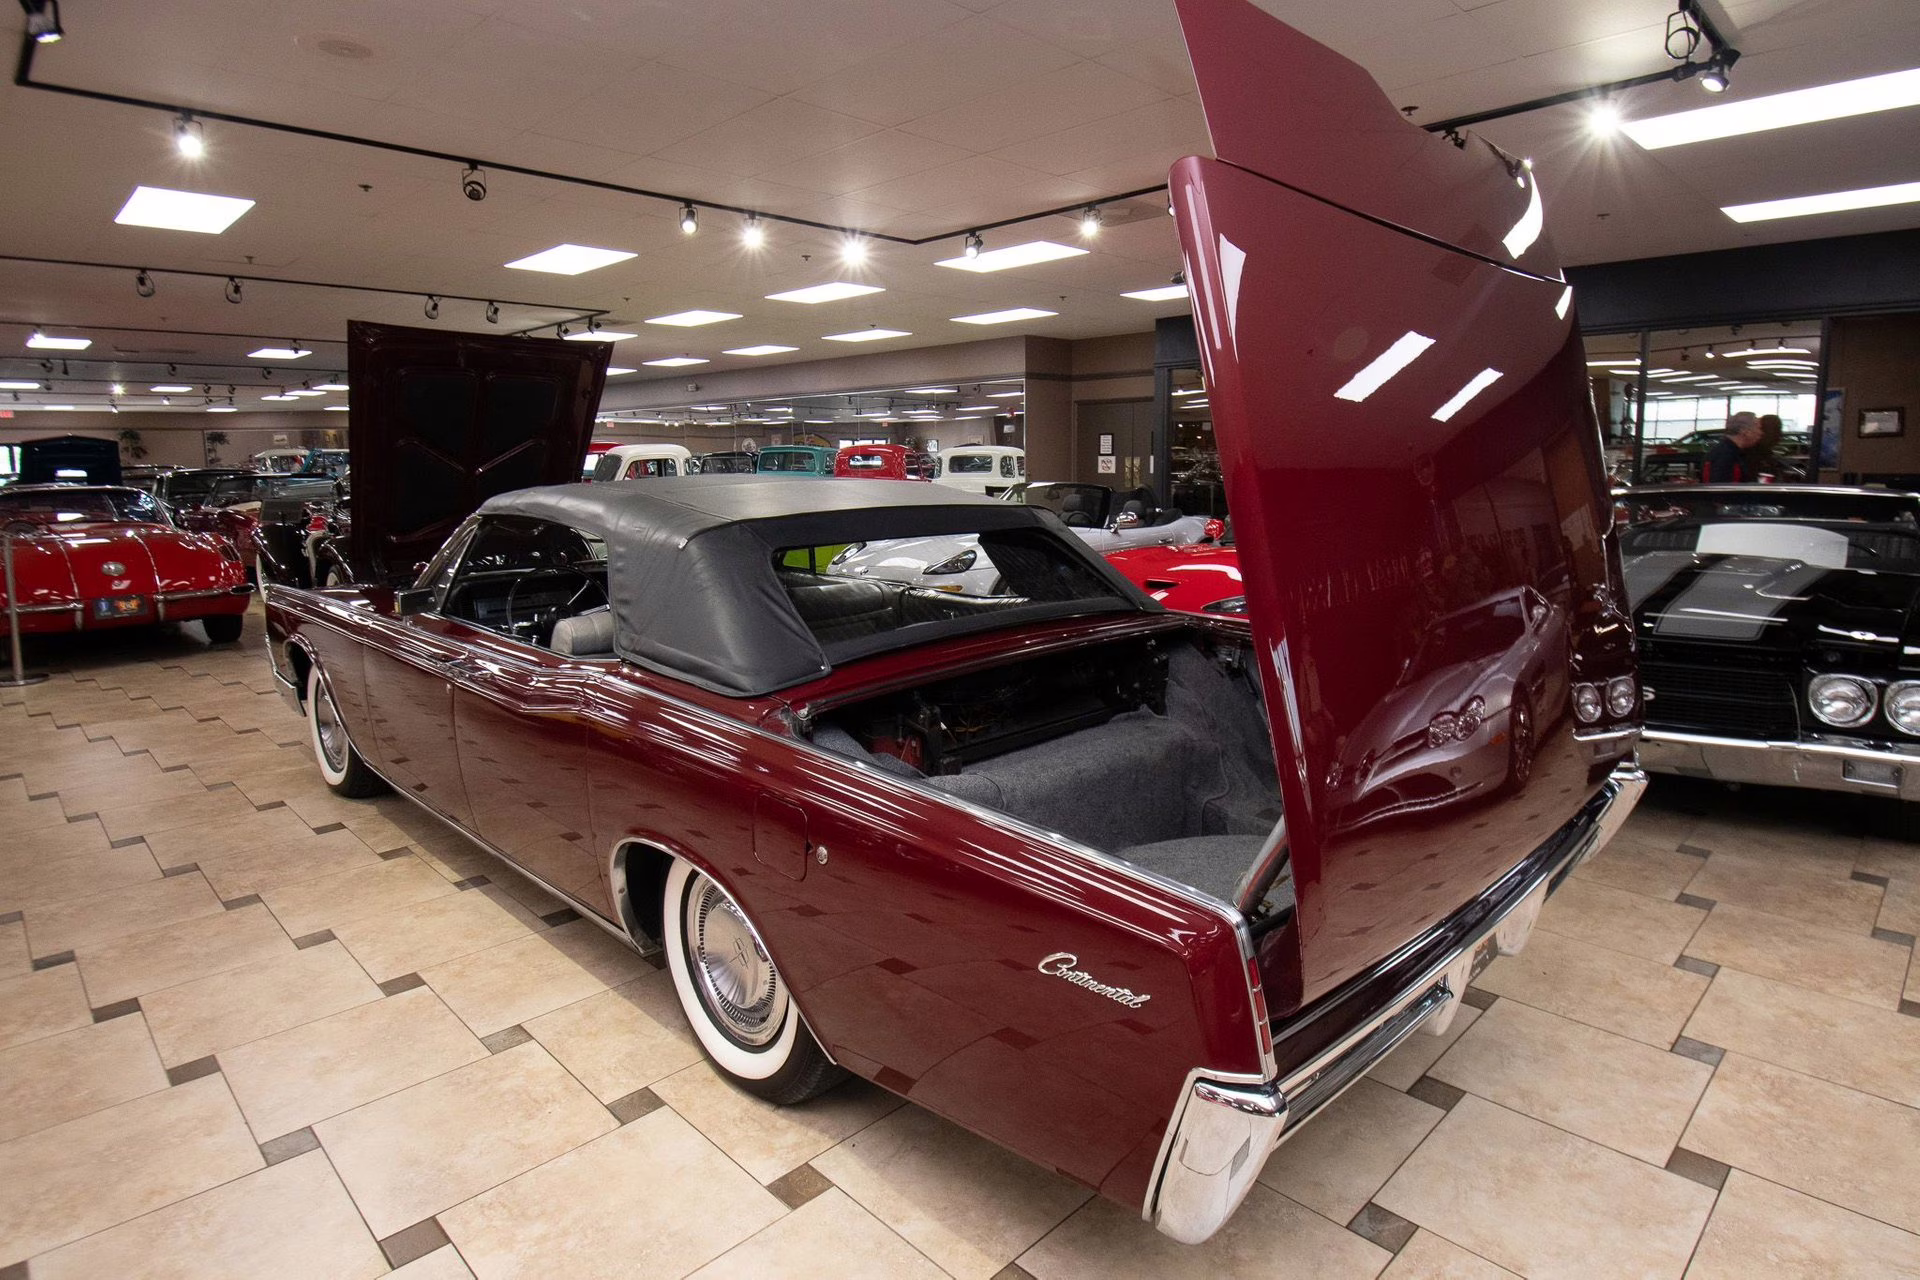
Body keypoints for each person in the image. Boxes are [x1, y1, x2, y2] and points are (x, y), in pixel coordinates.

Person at [1702, 413, 1762, 483]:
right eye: (1758, 428)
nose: (1760, 433)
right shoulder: (1726, 456)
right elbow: (1723, 489)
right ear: (1744, 431)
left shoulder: (1725, 451)